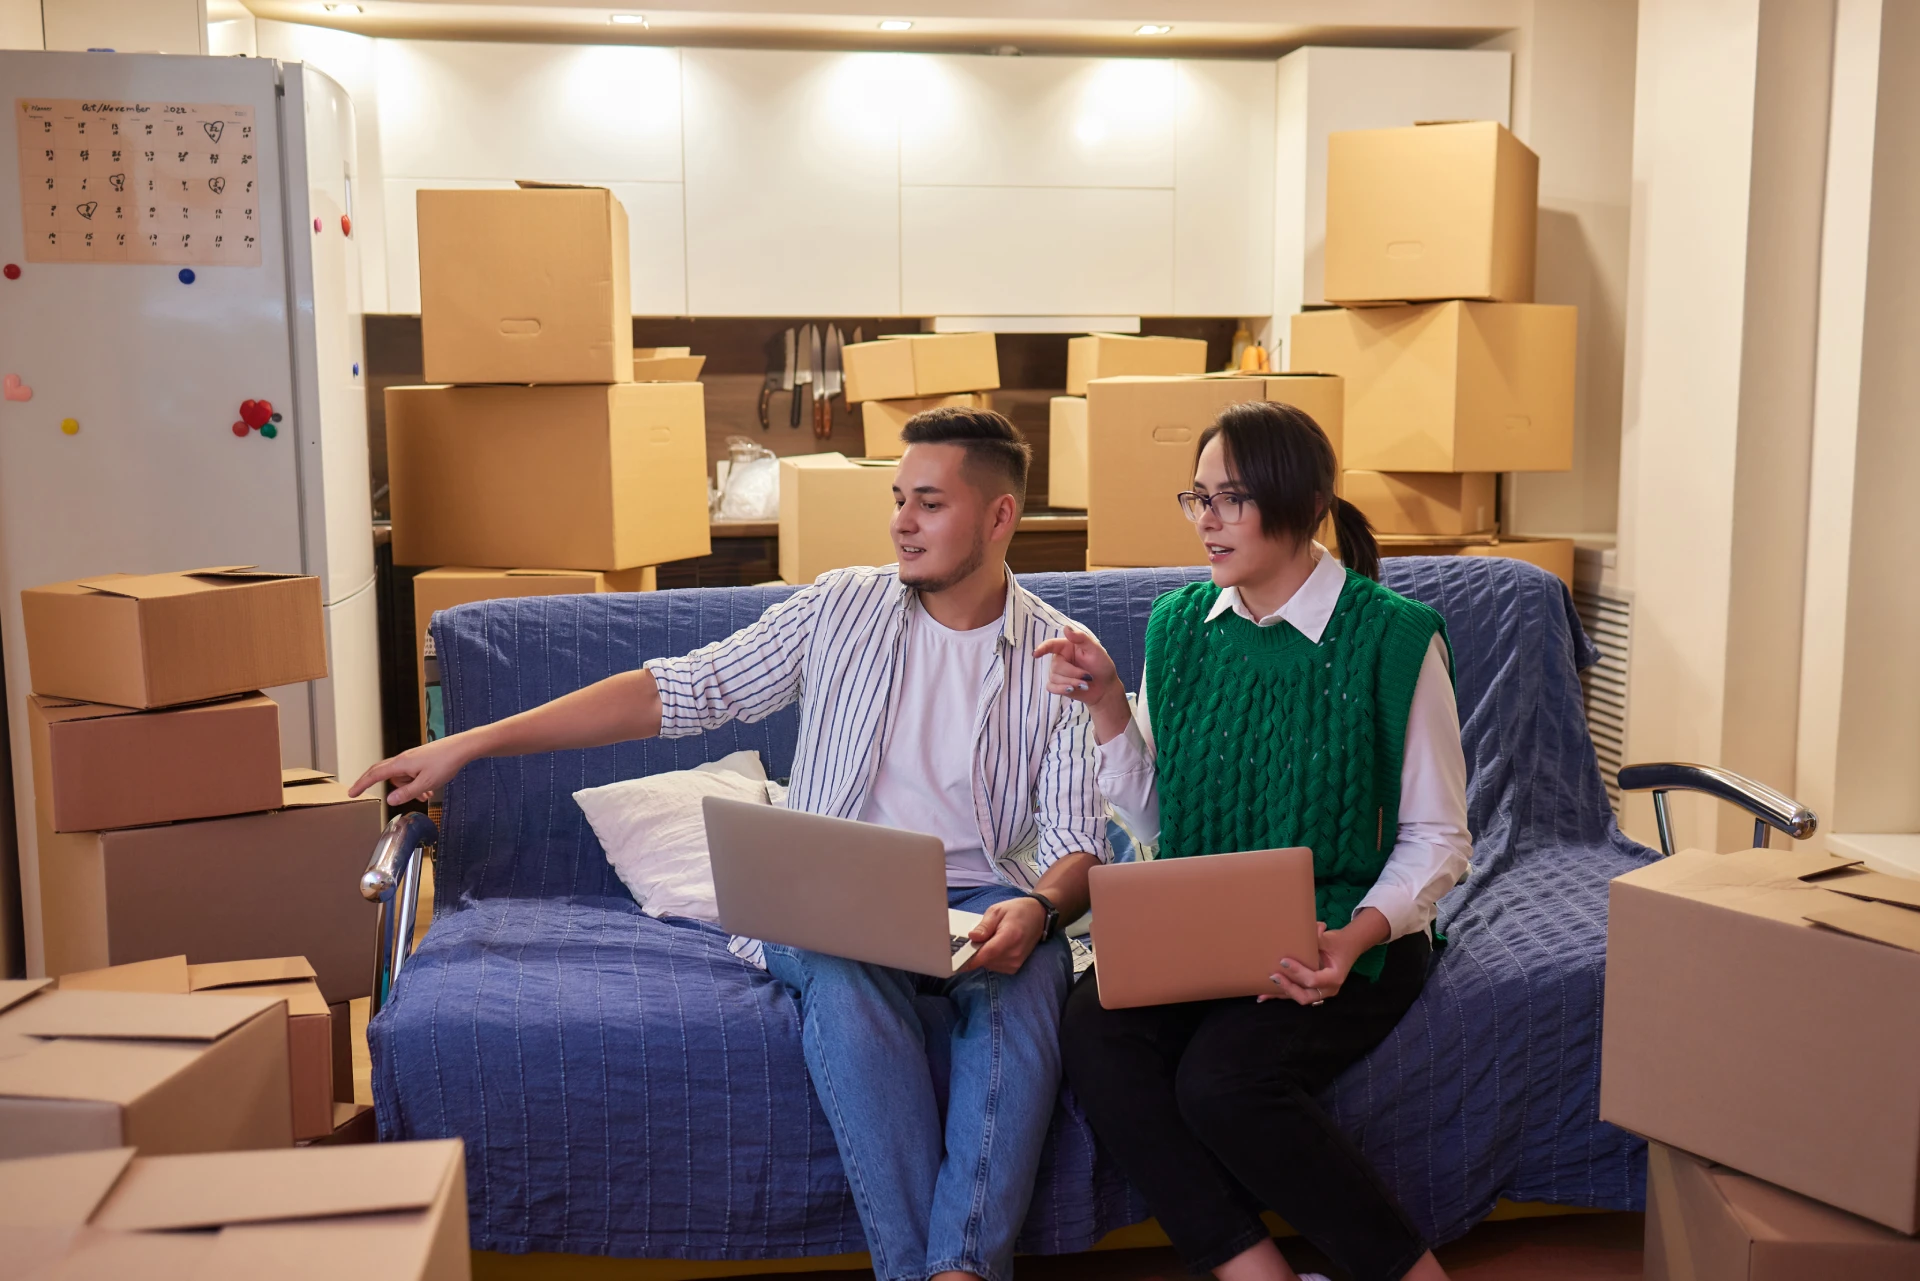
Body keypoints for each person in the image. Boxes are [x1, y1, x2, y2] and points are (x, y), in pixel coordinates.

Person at [352, 408, 1103, 1281]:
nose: (901, 520)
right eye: (899, 498)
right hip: (831, 894)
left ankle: (961, 1267)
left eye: (929, 503)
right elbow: (676, 692)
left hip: (982, 903)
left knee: (1034, 976)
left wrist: (1041, 907)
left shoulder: (1060, 657)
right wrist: (470, 740)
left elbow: (1079, 841)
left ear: (1000, 516)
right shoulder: (840, 609)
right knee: (842, 966)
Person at [1036, 400, 1471, 1281]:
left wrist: (1355, 936)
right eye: (1196, 497)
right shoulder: (1179, 627)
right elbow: (1170, 825)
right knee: (1092, 1026)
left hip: (1347, 937)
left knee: (1221, 1084)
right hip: (1209, 930)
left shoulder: (1391, 640)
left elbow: (1438, 835)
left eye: (1230, 498)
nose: (1206, 520)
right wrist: (1113, 706)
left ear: (1304, 502)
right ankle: (1253, 1271)